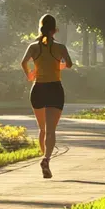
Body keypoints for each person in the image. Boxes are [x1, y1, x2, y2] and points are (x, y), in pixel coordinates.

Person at [20, 14, 72, 178]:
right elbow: (69, 64)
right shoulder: (60, 47)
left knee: (42, 129)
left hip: (38, 89)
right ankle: (46, 159)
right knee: (51, 130)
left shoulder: (33, 47)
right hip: (54, 89)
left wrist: (29, 74)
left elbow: (23, 62)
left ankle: (45, 161)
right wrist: (59, 66)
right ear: (54, 30)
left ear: (40, 28)